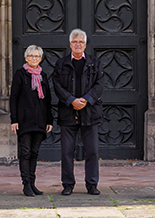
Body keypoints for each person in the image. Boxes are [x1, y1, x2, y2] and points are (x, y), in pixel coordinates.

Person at [52, 29, 104, 196]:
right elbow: (57, 85)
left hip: (90, 113)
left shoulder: (95, 62)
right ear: (70, 44)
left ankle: (92, 185)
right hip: (68, 113)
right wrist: (71, 100)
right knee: (67, 152)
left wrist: (87, 99)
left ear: (85, 44)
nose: (78, 44)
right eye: (75, 42)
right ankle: (67, 185)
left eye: (81, 42)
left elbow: (100, 84)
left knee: (92, 152)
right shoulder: (61, 63)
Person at [9, 44, 53, 197]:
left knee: (34, 153)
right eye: (31, 56)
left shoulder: (43, 76)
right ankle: (26, 184)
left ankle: (33, 183)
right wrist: (14, 120)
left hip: (40, 121)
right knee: (25, 152)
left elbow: (48, 99)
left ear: (40, 59)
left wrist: (49, 120)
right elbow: (13, 97)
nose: (34, 59)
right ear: (26, 58)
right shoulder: (20, 74)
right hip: (24, 120)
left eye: (37, 56)